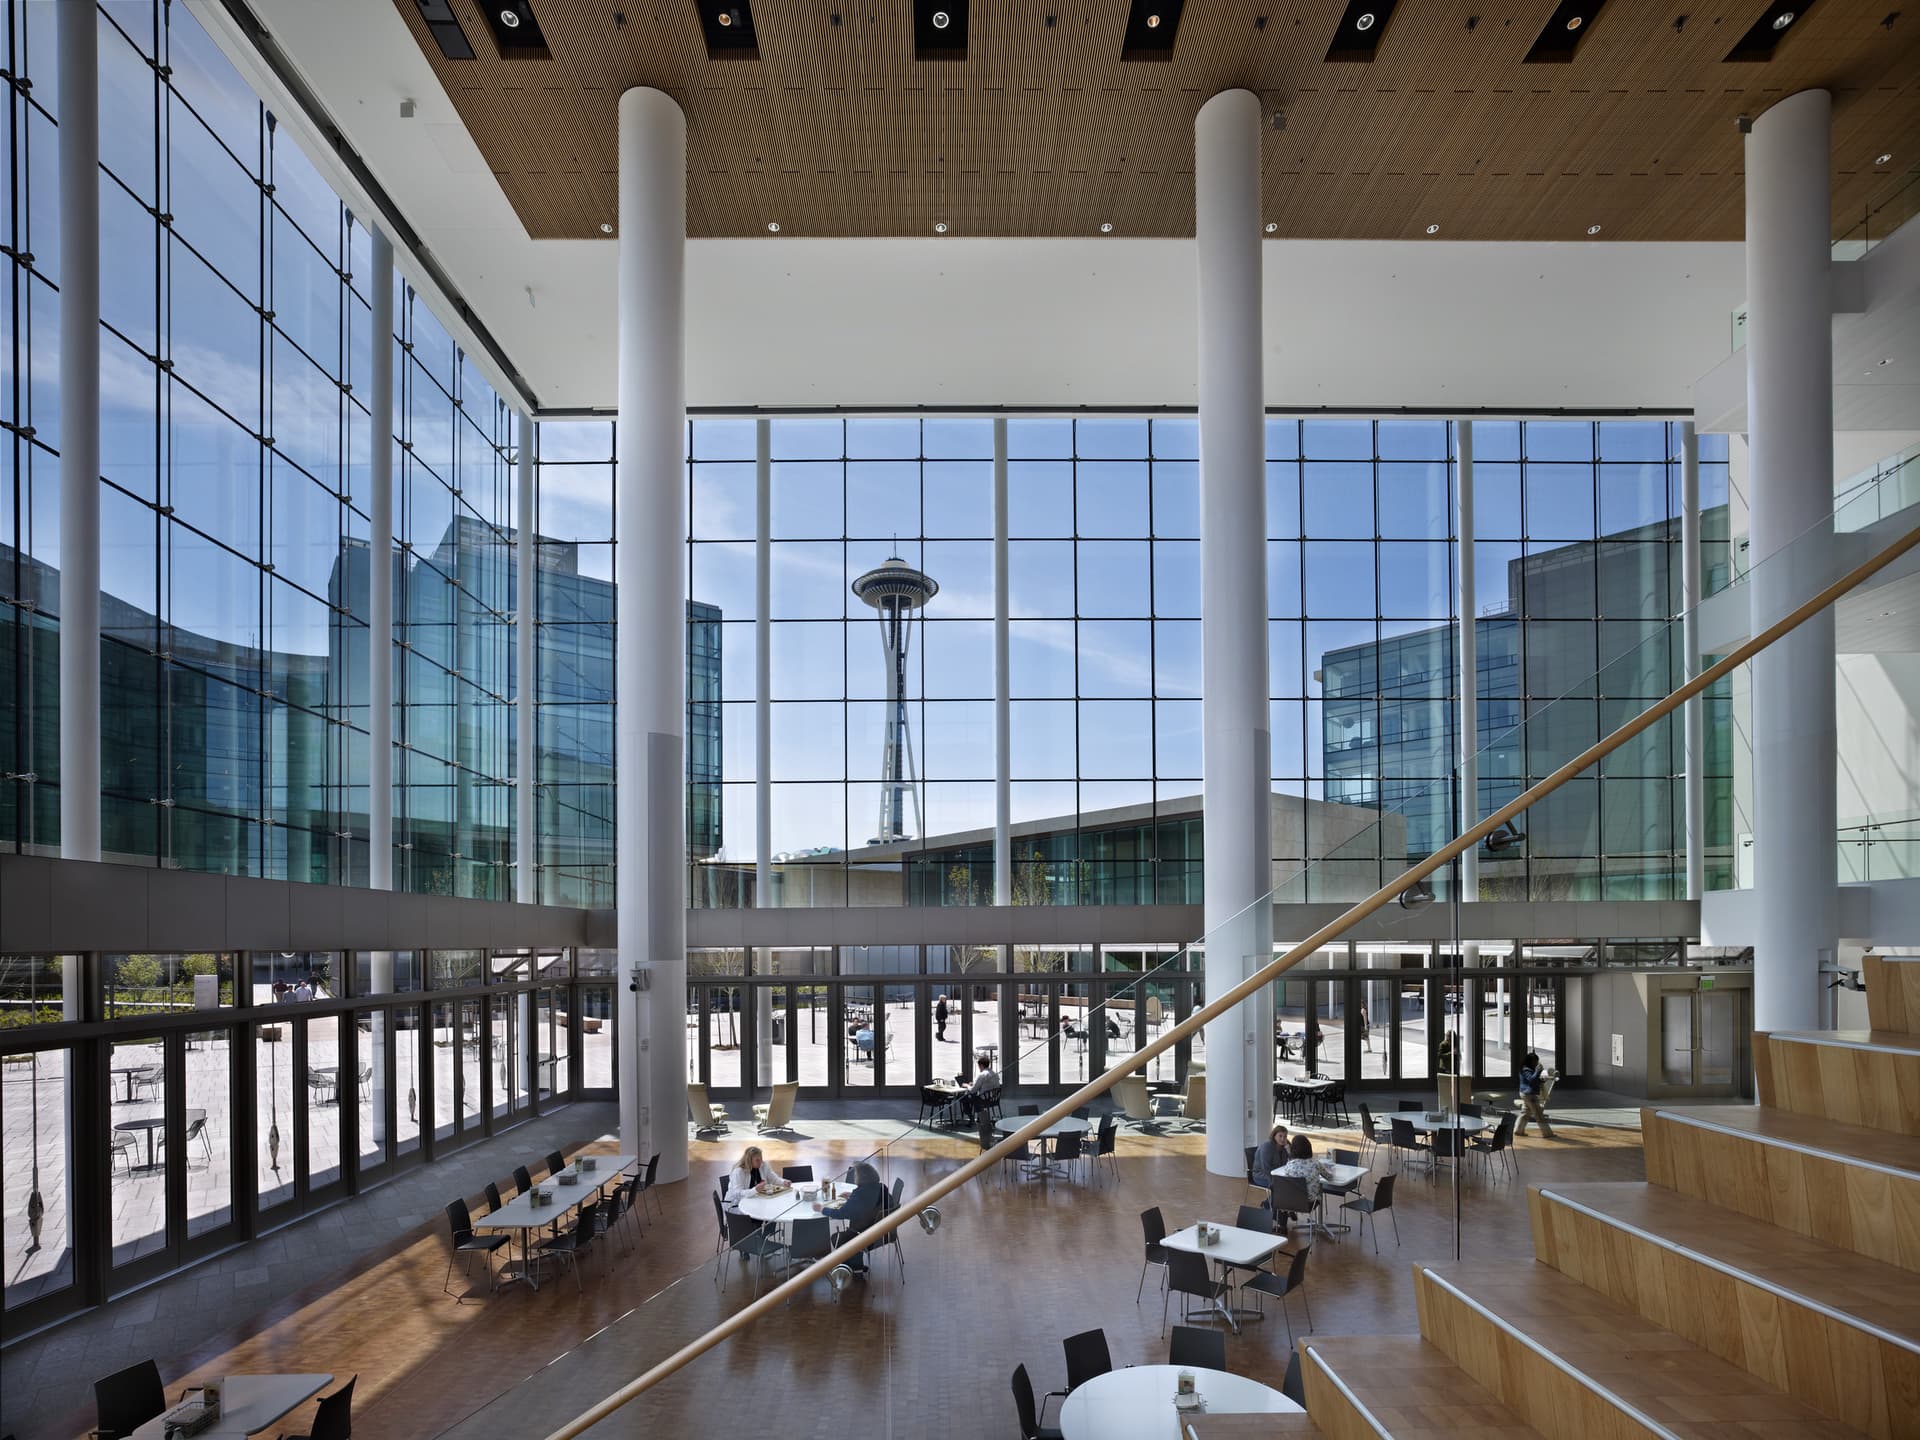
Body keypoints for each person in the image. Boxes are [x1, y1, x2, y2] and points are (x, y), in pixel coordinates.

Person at [814, 1160, 885, 1274]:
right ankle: (856, 1265)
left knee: (837, 1238)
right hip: (880, 1230)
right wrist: (852, 1196)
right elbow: (867, 1201)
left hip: (864, 1234)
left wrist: (822, 1209)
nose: (855, 1176)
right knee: (850, 1231)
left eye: (856, 1174)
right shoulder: (880, 1187)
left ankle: (851, 1267)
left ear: (862, 1178)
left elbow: (841, 1214)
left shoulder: (860, 1195)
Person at [1277, 1133, 1337, 1215]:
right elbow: (1330, 1178)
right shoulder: (1316, 1164)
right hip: (1309, 1203)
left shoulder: (1289, 1165)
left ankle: (1287, 1215)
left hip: (1291, 1202)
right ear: (1309, 1148)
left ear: (1293, 1149)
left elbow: (1288, 1181)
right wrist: (1332, 1171)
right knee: (1317, 1193)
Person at [723, 1144, 777, 1211]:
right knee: (766, 1211)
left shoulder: (762, 1165)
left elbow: (773, 1178)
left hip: (753, 1202)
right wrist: (755, 1190)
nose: (760, 1162)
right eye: (757, 1160)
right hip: (736, 1205)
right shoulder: (738, 1171)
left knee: (771, 1208)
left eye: (761, 1159)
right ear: (749, 1160)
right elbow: (737, 1193)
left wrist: (784, 1182)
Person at [1517, 1051, 1556, 1138]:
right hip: (1529, 1095)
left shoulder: (1527, 1069)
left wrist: (1542, 1079)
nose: (1537, 1063)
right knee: (1539, 1115)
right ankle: (1547, 1133)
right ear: (1530, 1061)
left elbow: (1534, 1080)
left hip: (1526, 1093)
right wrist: (1538, 1071)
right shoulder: (1526, 1070)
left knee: (1525, 1113)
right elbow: (1531, 1080)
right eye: (1535, 1061)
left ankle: (1518, 1130)